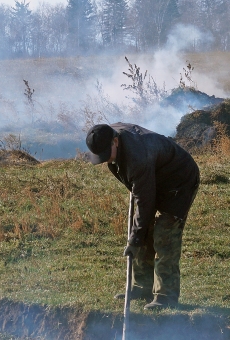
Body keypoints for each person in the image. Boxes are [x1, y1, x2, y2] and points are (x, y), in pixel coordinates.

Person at [86, 123, 200, 309]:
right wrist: (137, 235)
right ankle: (142, 287)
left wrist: (133, 240)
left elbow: (145, 201)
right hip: (153, 179)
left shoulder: (137, 156)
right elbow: (143, 194)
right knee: (141, 231)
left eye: (107, 154)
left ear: (115, 141)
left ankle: (166, 296)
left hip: (179, 183)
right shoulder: (107, 135)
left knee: (165, 235)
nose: (106, 160)